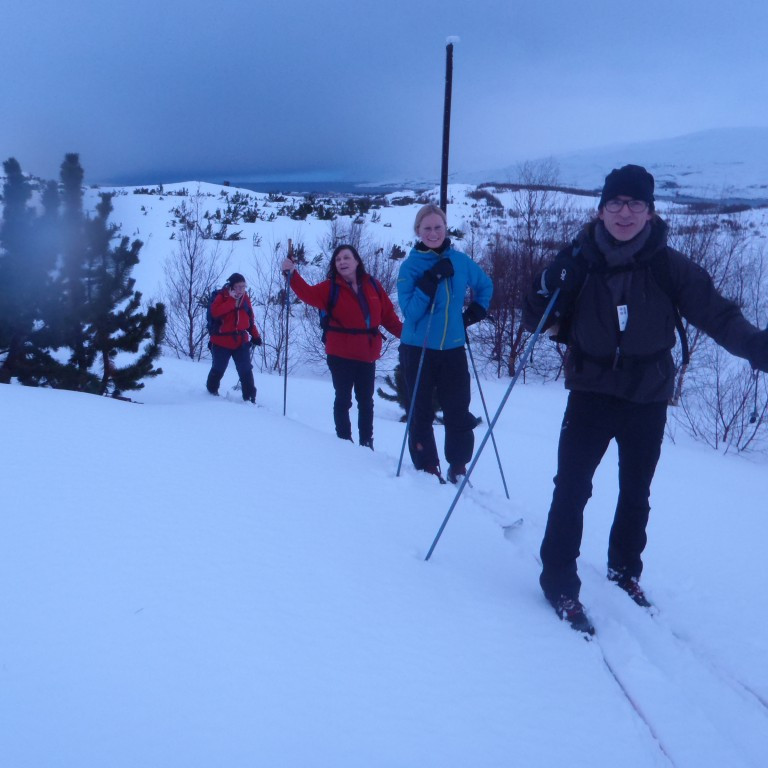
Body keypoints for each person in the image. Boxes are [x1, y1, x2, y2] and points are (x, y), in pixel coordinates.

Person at [523, 164, 768, 635]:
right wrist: (548, 282)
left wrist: (757, 347)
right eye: (615, 202)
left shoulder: (668, 265)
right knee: (571, 489)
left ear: (651, 212)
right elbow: (535, 315)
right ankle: (558, 579)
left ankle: (623, 570)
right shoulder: (579, 259)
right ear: (600, 209)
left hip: (648, 394)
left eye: (636, 203)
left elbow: (716, 313)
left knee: (636, 492)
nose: (625, 212)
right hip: (590, 392)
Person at [397, 203, 493, 484]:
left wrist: (475, 312)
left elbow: (485, 285)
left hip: (452, 347)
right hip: (418, 347)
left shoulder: (460, 261)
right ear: (418, 231)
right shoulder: (410, 266)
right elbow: (411, 313)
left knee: (458, 410)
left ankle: (458, 466)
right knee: (421, 411)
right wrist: (430, 280)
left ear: (445, 227)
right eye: (427, 228)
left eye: (438, 227)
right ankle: (428, 467)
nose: (433, 232)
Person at [281, 244, 403, 449]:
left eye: (347, 258)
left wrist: (409, 337)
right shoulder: (330, 287)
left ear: (357, 261)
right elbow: (307, 294)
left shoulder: (373, 285)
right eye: (338, 260)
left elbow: (388, 317)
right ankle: (344, 442)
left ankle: (366, 443)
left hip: (367, 353)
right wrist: (291, 274)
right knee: (344, 399)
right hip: (340, 353)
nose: (342, 262)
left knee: (366, 401)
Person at [206, 272, 262, 402]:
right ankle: (211, 391)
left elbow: (249, 320)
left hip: (240, 341)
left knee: (246, 369)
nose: (241, 289)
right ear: (231, 287)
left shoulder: (245, 299)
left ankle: (249, 398)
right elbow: (215, 312)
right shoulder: (222, 296)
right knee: (219, 368)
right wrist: (231, 300)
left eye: (243, 286)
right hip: (221, 341)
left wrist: (255, 336)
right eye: (238, 286)